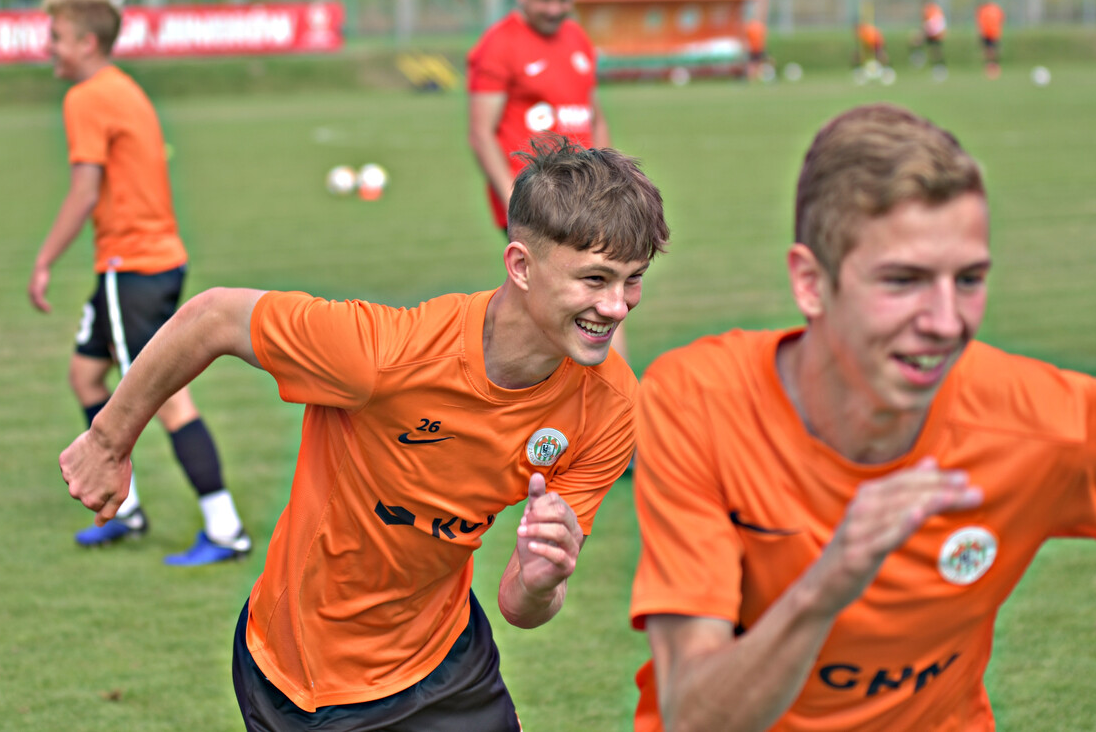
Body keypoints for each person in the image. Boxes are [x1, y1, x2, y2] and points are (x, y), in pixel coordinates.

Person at [60, 135, 670, 730]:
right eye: (595, 280)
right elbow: (212, 316)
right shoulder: (383, 353)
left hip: (447, 661)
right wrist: (108, 442)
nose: (617, 307)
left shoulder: (612, 406)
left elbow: (521, 606)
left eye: (632, 279)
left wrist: (543, 580)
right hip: (303, 680)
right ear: (521, 266)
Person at [629, 103, 1096, 731]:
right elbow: (694, 717)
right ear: (811, 283)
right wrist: (828, 586)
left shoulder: (1039, 420)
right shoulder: (699, 403)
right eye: (903, 281)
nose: (946, 320)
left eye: (969, 279)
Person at [30, 0, 249, 566]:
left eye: (55, 36)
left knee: (168, 398)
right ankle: (122, 510)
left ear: (86, 42)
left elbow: (85, 189)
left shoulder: (88, 96)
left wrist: (45, 259)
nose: (47, 46)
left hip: (135, 268)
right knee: (86, 376)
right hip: (140, 266)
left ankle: (225, 527)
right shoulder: (123, 87)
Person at [467, 0, 630, 361]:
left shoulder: (577, 38)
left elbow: (594, 116)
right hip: (539, 199)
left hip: (587, 195)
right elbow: (481, 132)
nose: (556, 9)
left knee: (593, 295)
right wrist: (516, 200)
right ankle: (615, 400)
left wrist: (613, 181)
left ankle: (608, 401)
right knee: (578, 300)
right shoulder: (498, 45)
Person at [977, 0, 1005, 78]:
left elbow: (980, 23)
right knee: (990, 51)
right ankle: (990, 67)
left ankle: (993, 67)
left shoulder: (984, 10)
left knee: (991, 51)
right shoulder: (992, 9)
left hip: (991, 33)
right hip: (991, 33)